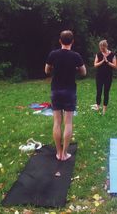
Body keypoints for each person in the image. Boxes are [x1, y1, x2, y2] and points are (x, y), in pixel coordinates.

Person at [45, 30, 86, 161]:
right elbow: (84, 72)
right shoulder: (76, 56)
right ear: (72, 41)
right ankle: (65, 153)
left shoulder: (53, 54)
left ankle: (58, 153)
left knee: (57, 122)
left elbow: (46, 70)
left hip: (56, 90)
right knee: (68, 123)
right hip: (70, 91)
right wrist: (76, 69)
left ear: (60, 41)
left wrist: (54, 68)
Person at [93, 40, 117, 115]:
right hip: (99, 75)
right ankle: (97, 106)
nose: (101, 49)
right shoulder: (99, 54)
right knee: (99, 91)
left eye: (102, 47)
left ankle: (104, 109)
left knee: (106, 92)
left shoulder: (112, 54)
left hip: (108, 76)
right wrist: (102, 61)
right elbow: (95, 65)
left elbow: (115, 66)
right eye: (100, 47)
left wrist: (107, 62)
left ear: (105, 46)